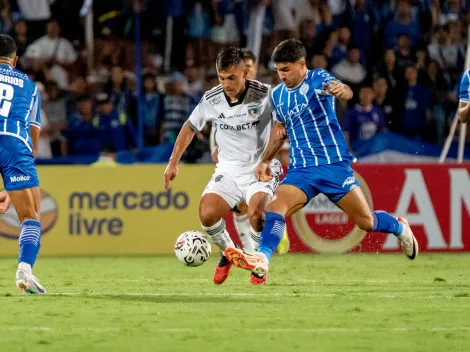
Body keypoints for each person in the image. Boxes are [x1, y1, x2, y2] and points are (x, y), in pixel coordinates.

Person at [224, 39, 419, 279]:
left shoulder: (317, 79)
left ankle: (399, 227)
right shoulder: (277, 96)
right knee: (275, 209)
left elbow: (344, 90)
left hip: (332, 166)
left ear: (302, 64)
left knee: (366, 222)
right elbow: (279, 131)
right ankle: (262, 258)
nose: (282, 75)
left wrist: (343, 91)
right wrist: (265, 160)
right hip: (301, 170)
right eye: (278, 70)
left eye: (286, 69)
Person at [164, 47, 282, 285]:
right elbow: (190, 127)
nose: (226, 84)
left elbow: (280, 130)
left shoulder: (266, 94)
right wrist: (172, 163)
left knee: (257, 215)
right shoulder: (212, 99)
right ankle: (229, 253)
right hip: (228, 170)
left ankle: (259, 264)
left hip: (260, 167)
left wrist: (266, 160)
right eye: (221, 78)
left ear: (245, 72)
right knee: (206, 215)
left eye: (231, 78)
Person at [0, 34, 46, 293]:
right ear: (15, 60)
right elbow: (34, 138)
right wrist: (11, 187)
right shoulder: (29, 85)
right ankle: (24, 270)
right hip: (15, 144)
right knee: (30, 216)